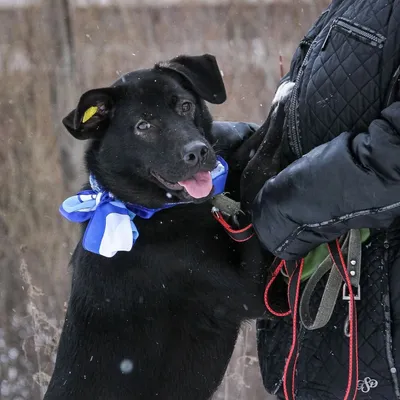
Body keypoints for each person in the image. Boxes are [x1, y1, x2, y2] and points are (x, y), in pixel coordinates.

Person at [237, 0, 400, 398]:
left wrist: (280, 210)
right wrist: (206, 155)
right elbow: (310, 128)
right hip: (338, 342)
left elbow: (390, 159)